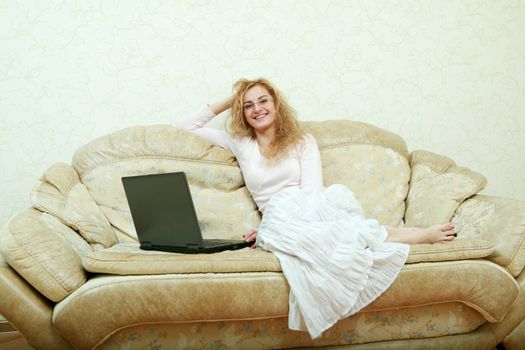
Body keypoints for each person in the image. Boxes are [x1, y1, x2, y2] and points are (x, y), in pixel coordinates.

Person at [177, 78, 456, 339]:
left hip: (305, 207)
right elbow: (184, 127)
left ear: (275, 104)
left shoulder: (301, 141)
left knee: (334, 233)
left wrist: (294, 222)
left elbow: (312, 192)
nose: (257, 109)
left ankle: (416, 235)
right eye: (248, 105)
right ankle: (398, 236)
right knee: (290, 234)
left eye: (263, 101)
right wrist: (232, 98)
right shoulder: (240, 142)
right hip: (275, 216)